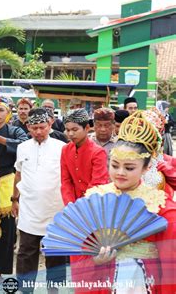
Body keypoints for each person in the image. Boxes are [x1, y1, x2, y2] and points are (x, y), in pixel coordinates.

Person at [70, 111, 176, 293]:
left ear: (146, 167)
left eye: (129, 167)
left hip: (143, 281)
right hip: (104, 278)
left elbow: (170, 265)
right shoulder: (95, 200)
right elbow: (78, 249)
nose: (120, 172)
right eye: (114, 165)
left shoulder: (161, 207)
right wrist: (94, 260)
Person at [12, 108, 67, 293]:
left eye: (42, 127)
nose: (38, 132)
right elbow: (18, 174)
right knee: (26, 251)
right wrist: (14, 199)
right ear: (28, 127)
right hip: (29, 208)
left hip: (55, 209)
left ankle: (55, 289)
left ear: (50, 124)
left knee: (55, 253)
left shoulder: (62, 147)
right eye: (34, 128)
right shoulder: (23, 147)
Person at [0, 96, 28, 280]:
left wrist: (0, 139)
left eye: (1, 110)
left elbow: (24, 146)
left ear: (9, 113)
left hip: (7, 181)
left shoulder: (15, 130)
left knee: (7, 228)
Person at [60, 108, 108, 206]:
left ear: (86, 128)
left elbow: (97, 184)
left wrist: (82, 208)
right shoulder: (65, 150)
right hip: (72, 204)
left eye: (75, 129)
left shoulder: (98, 152)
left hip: (93, 204)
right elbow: (66, 181)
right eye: (68, 130)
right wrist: (70, 204)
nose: (70, 134)